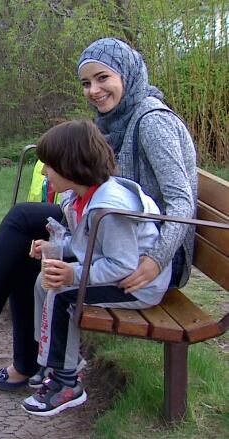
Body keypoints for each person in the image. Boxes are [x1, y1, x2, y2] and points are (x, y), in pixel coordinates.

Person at [0, 37, 197, 390]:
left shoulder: (152, 121)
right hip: (112, 225)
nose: (94, 90)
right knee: (27, 235)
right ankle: (13, 351)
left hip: (151, 250)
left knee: (22, 221)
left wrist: (156, 258)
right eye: (86, 83)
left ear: (127, 74)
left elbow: (182, 202)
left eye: (103, 78)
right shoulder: (115, 118)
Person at [21, 119, 172, 416]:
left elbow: (121, 263)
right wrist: (54, 249)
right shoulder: (80, 197)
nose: (43, 172)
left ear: (69, 165)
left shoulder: (108, 208)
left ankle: (67, 384)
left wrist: (73, 273)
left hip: (136, 285)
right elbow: (86, 244)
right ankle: (53, 360)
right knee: (44, 283)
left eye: (48, 166)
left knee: (62, 292)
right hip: (117, 273)